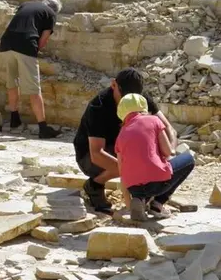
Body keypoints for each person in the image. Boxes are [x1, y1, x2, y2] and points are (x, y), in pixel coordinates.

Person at [73, 67, 178, 214]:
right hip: (90, 157)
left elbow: (169, 129)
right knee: (138, 164)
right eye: (123, 97)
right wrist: (133, 171)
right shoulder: (98, 107)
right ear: (113, 85)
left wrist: (170, 153)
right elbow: (96, 153)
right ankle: (95, 184)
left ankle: (151, 197)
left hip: (122, 149)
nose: (128, 102)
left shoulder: (140, 99)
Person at [115, 93, 195, 221]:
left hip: (134, 188)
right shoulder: (154, 120)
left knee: (140, 180)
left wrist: (128, 204)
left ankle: (140, 200)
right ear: (143, 108)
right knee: (189, 160)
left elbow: (122, 173)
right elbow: (168, 151)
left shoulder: (120, 136)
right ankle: (158, 203)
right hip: (157, 183)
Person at [0, 0, 62, 139]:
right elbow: (43, 39)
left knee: (12, 82)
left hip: (6, 42)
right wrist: (33, 51)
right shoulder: (51, 15)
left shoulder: (26, 4)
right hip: (25, 44)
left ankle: (14, 120)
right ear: (55, 10)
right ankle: (43, 128)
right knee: (34, 88)